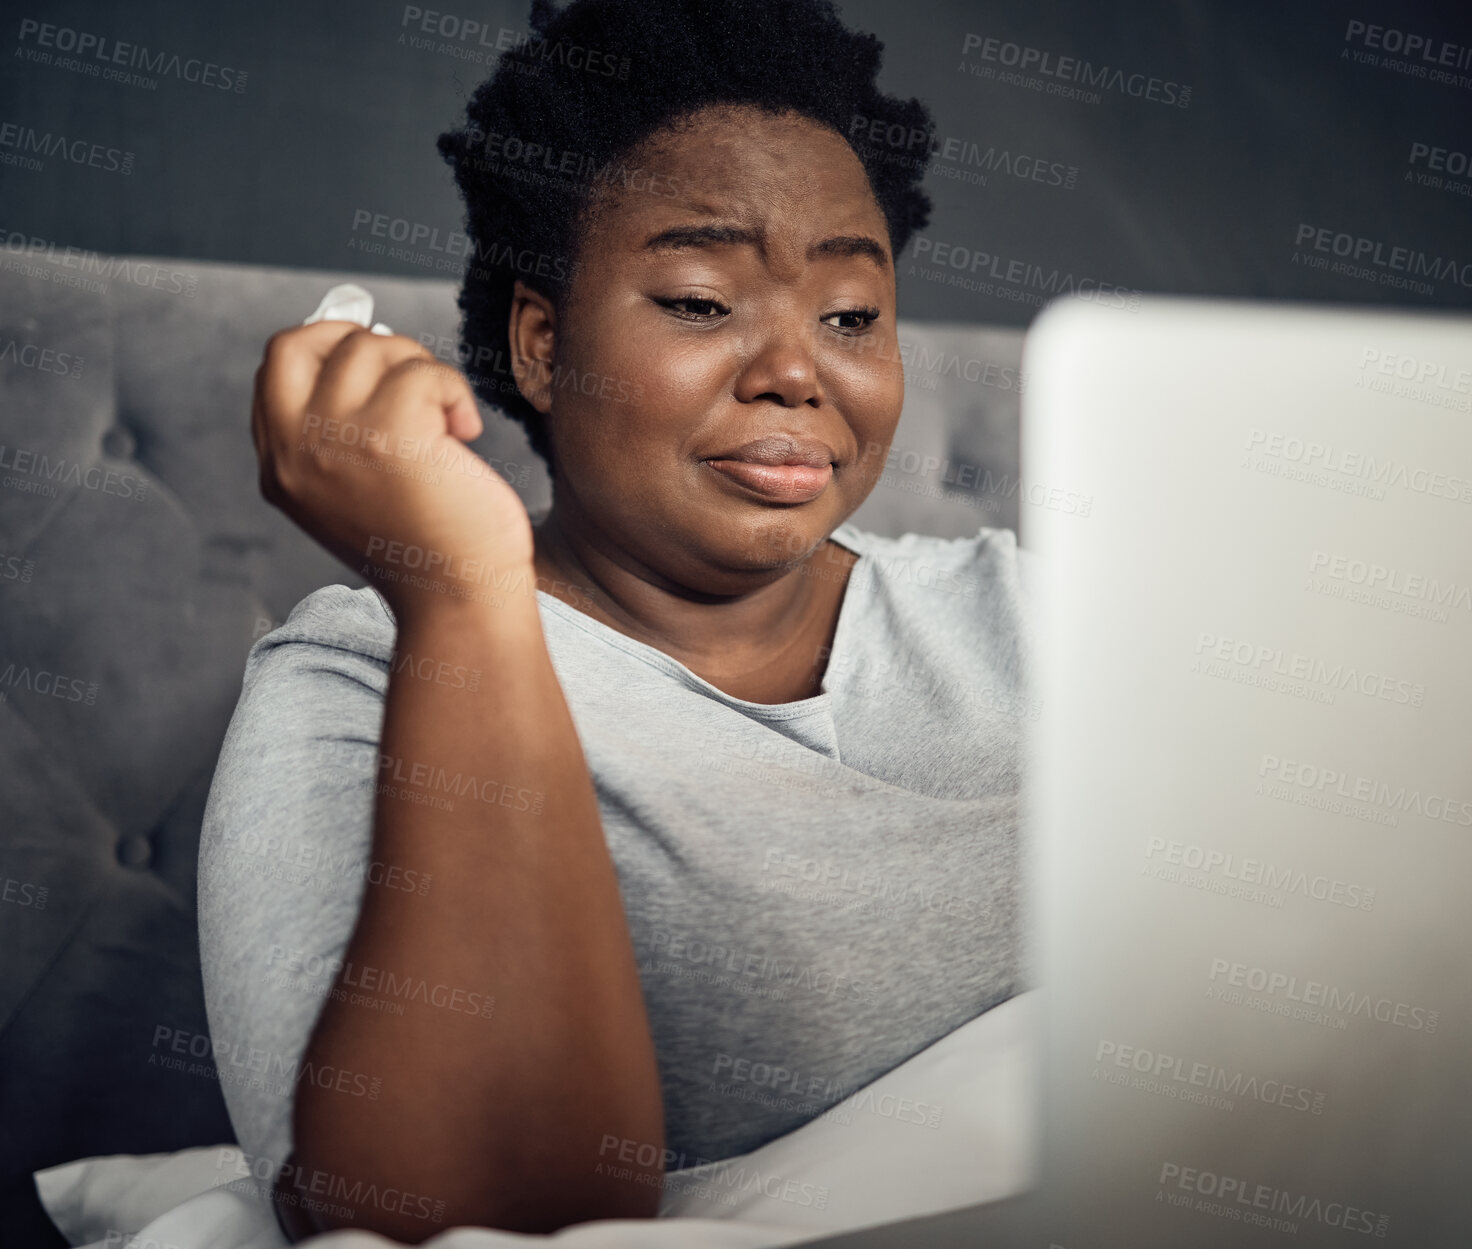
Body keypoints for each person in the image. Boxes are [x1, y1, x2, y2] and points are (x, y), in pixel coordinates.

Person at [198, 0, 1032, 1239]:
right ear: (541, 345)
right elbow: (462, 1218)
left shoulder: (1028, 609)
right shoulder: (362, 675)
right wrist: (464, 593)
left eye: (851, 316)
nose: (797, 369)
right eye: (702, 301)